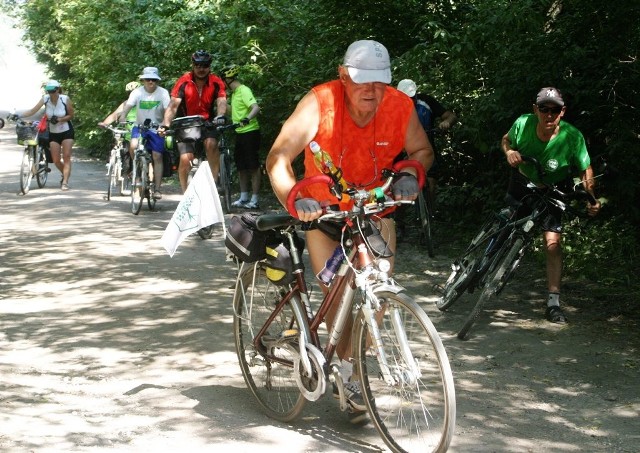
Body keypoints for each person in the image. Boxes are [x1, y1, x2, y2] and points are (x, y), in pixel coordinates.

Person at [266, 40, 433, 423]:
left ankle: (352, 363)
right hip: (322, 216)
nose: (372, 92)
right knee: (339, 296)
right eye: (362, 82)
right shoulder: (320, 103)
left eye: (379, 83)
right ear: (343, 76)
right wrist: (294, 196)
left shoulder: (399, 106)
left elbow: (422, 150)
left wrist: (409, 172)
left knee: (376, 293)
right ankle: (351, 374)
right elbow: (277, 157)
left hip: (372, 213)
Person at [501, 87, 601, 324]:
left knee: (553, 243)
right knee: (505, 222)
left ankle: (553, 302)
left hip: (554, 188)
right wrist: (510, 152)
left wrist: (591, 198)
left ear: (562, 112)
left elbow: (584, 168)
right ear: (535, 109)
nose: (549, 114)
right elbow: (505, 140)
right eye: (544, 109)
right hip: (523, 180)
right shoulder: (523, 124)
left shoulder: (572, 137)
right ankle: (477, 266)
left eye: (554, 110)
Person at [396, 79, 457, 238]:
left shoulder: (426, 101)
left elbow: (450, 115)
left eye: (411, 97)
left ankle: (429, 221)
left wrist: (446, 123)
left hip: (426, 149)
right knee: (397, 184)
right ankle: (400, 224)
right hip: (401, 150)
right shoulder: (392, 106)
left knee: (430, 183)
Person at [160, 50, 227, 193]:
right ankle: (185, 194)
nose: (201, 69)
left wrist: (220, 116)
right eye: (197, 65)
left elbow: (221, 101)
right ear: (193, 65)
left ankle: (213, 184)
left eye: (205, 65)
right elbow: (173, 105)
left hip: (207, 121)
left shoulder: (216, 81)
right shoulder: (184, 81)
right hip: (186, 122)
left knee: (211, 144)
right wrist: (165, 124)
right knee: (185, 159)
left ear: (209, 66)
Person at [117, 67, 170, 199]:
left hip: (156, 127)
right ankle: (138, 173)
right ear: (143, 80)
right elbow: (127, 107)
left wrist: (164, 125)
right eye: (147, 79)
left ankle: (157, 189)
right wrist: (123, 116)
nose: (150, 82)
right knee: (133, 145)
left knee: (157, 156)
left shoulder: (163, 93)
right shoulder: (137, 92)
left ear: (157, 81)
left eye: (153, 79)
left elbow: (168, 111)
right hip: (140, 126)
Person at [19, 80, 75, 190]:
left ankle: (65, 182)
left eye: (53, 91)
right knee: (55, 160)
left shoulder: (65, 99)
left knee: (66, 156)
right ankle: (65, 173)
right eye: (48, 91)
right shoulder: (45, 99)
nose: (51, 93)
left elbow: (71, 115)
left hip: (66, 131)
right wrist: (18, 115)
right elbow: (32, 111)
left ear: (58, 89)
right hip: (53, 133)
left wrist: (60, 119)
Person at [221, 65, 262, 209]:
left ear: (228, 79)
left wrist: (247, 119)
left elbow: (255, 107)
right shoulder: (234, 93)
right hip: (239, 133)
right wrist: (224, 106)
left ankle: (255, 200)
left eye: (223, 81)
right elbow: (235, 112)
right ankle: (244, 197)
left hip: (250, 132)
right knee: (241, 167)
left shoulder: (244, 90)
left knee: (253, 166)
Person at [98, 81, 140, 174]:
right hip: (128, 131)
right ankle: (128, 170)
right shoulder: (126, 104)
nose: (132, 95)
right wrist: (105, 123)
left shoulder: (144, 103)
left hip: (140, 131)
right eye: (130, 93)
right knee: (122, 145)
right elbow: (114, 115)